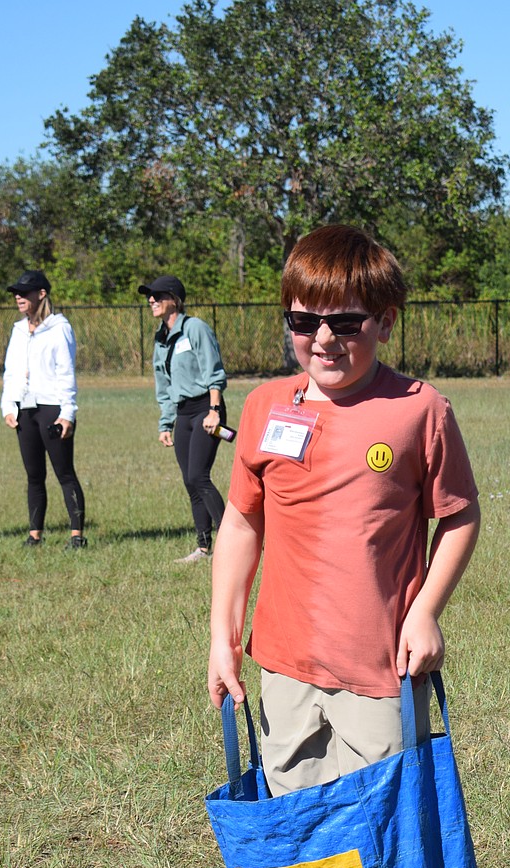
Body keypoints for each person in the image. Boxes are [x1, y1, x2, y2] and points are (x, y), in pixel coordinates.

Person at [207, 224, 480, 797]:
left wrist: (426, 612)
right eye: (304, 322)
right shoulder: (264, 406)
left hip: (381, 670)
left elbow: (459, 516)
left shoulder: (419, 409)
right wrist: (223, 639)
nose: (324, 339)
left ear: (385, 321)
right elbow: (241, 522)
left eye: (347, 323)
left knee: (383, 824)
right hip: (285, 667)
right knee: (299, 823)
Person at [138, 274, 228, 563]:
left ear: (174, 300)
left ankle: (232, 542)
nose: (151, 300)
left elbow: (214, 371)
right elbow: (164, 386)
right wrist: (166, 423)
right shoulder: (161, 338)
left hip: (206, 409)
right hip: (182, 413)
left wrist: (214, 411)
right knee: (190, 482)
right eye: (149, 296)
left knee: (198, 476)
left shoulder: (195, 328)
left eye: (157, 295)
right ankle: (203, 548)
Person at [1, 269, 86, 549]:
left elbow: (66, 372)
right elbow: (11, 371)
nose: (18, 297)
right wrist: (8, 405)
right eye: (16, 293)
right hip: (25, 411)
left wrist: (67, 413)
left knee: (64, 473)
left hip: (53, 409)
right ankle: (34, 535)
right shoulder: (18, 330)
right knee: (34, 475)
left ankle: (76, 536)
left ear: (41, 294)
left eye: (24, 292)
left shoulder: (59, 328)